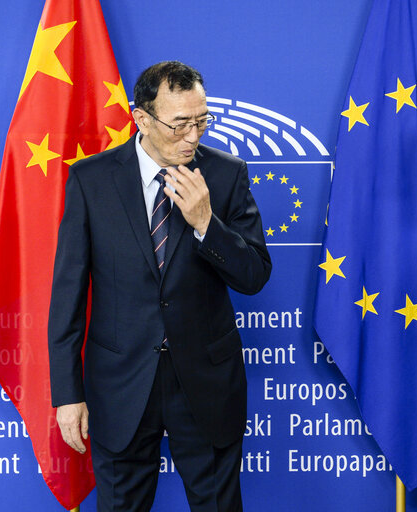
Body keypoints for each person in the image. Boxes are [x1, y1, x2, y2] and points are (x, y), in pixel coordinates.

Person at [48, 61, 271, 511]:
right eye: (180, 124)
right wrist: (67, 394)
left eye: (202, 121)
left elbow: (255, 275)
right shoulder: (91, 180)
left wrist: (208, 223)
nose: (193, 137)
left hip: (206, 384)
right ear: (142, 119)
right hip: (121, 385)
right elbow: (67, 294)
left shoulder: (226, 176)